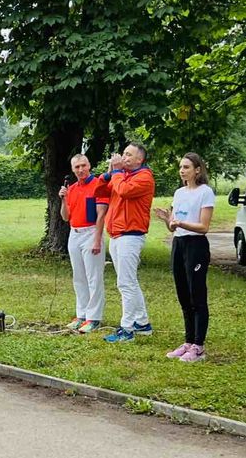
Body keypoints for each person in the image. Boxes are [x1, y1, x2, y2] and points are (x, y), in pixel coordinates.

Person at [154, 153, 214, 362]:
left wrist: (180, 223)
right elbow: (173, 226)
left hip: (195, 245)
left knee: (196, 294)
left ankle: (199, 346)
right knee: (183, 294)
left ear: (197, 170)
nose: (182, 170)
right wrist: (166, 219)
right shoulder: (178, 193)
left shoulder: (205, 192)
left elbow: (203, 227)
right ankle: (188, 341)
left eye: (187, 167)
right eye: (181, 167)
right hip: (179, 244)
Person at [96, 142, 156, 343]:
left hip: (130, 235)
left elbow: (123, 191)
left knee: (125, 283)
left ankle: (127, 329)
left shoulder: (144, 177)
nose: (124, 157)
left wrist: (118, 172)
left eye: (129, 155)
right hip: (116, 234)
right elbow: (100, 191)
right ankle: (142, 323)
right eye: (123, 153)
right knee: (129, 282)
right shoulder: (122, 175)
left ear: (140, 159)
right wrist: (108, 172)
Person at [59, 155, 109, 334]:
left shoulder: (98, 185)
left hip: (91, 232)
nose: (80, 170)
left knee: (93, 277)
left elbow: (101, 214)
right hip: (75, 232)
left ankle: (94, 317)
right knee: (79, 276)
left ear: (89, 165)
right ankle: (81, 314)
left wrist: (97, 239)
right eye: (77, 167)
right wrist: (63, 199)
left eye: (83, 166)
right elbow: (65, 216)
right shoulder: (71, 189)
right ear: (73, 169)